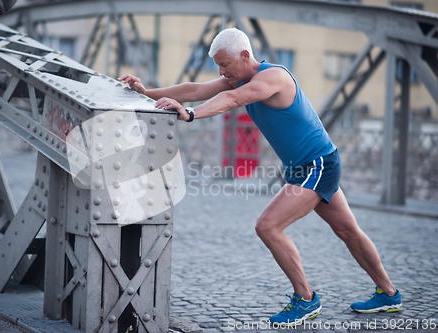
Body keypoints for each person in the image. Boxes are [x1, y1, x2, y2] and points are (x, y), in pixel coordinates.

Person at [119, 28, 402, 327]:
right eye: (218, 65)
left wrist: (189, 115)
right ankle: (389, 294)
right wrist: (149, 93)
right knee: (348, 231)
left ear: (244, 55)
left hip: (317, 165)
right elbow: (195, 89)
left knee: (268, 226)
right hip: (307, 165)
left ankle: (306, 299)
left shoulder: (273, 78)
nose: (221, 71)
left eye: (225, 64)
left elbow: (231, 99)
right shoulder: (238, 76)